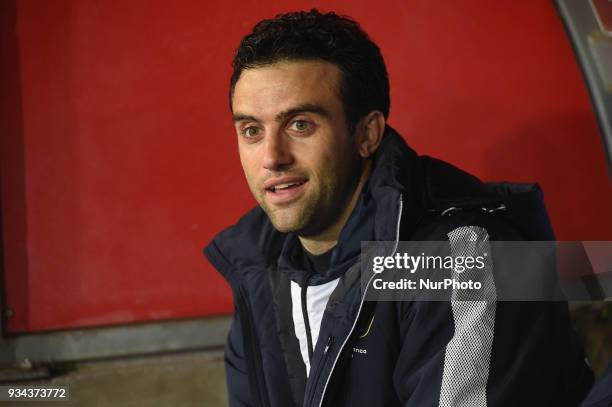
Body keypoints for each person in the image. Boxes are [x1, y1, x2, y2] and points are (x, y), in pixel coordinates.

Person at [204, 9, 594, 407]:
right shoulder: (257, 266)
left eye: (300, 125)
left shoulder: (460, 261)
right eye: (252, 130)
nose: (272, 156)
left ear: (367, 134)